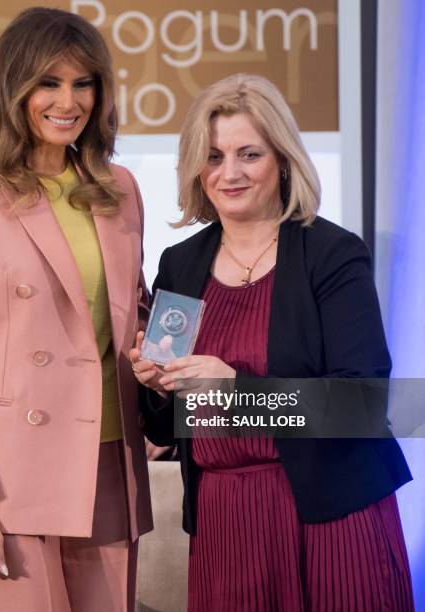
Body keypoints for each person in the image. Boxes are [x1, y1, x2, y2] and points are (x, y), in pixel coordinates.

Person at [130, 74, 414, 611]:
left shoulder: (332, 255)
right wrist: (159, 387)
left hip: (332, 518)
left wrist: (237, 390)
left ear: (282, 160)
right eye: (212, 156)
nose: (228, 173)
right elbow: (171, 424)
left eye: (248, 154)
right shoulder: (180, 264)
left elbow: (362, 404)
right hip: (225, 526)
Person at [0, 7, 152, 611]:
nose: (67, 101)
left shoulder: (118, 187)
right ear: (14, 88)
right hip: (8, 478)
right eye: (48, 82)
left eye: (83, 83)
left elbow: (134, 315)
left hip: (108, 462)